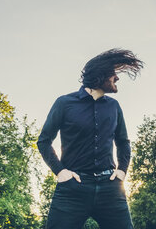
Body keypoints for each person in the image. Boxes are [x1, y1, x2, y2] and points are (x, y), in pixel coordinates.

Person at [37, 48, 144, 229]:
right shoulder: (64, 103)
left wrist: (122, 170)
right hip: (72, 188)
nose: (116, 78)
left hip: (109, 188)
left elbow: (123, 142)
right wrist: (60, 171)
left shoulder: (114, 106)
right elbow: (44, 141)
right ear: (99, 76)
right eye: (113, 74)